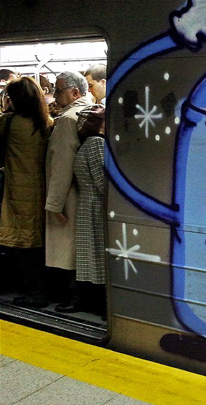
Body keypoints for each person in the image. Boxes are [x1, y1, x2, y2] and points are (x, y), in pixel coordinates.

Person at [0, 77, 52, 308]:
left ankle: (34, 293)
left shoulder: (9, 123)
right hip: (40, 190)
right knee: (35, 244)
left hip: (16, 191)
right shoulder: (47, 123)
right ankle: (40, 289)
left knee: (23, 245)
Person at [45, 71, 91, 312]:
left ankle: (72, 297)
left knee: (67, 250)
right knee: (79, 246)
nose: (54, 95)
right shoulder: (89, 110)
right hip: (84, 193)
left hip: (69, 195)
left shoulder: (67, 119)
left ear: (75, 93)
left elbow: (61, 165)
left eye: (58, 90)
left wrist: (54, 204)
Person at [74, 104, 107, 316]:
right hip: (96, 206)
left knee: (90, 258)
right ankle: (101, 305)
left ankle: (89, 301)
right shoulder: (97, 144)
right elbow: (102, 181)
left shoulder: (85, 143)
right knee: (99, 257)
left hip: (86, 204)